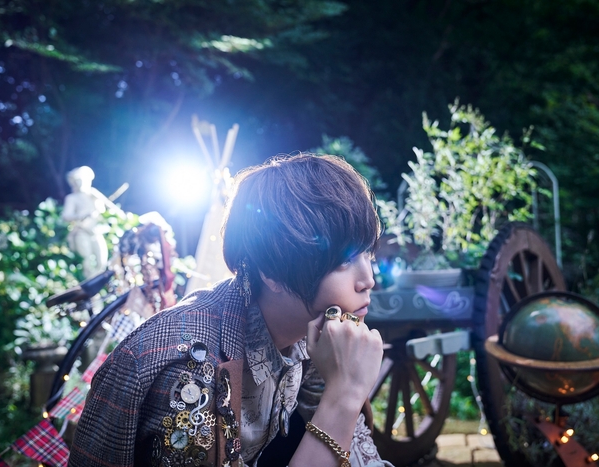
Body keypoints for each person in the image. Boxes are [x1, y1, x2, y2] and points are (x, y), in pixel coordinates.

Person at [69, 154, 391, 467]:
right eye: (344, 261)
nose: (368, 280)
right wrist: (344, 395)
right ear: (273, 272)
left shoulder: (317, 338)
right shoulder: (191, 372)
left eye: (368, 253)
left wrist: (342, 394)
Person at [62, 166, 113, 280]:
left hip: (95, 232)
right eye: (77, 181)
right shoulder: (72, 198)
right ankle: (89, 288)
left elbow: (110, 207)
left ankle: (99, 285)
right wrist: (81, 215)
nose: (79, 183)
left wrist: (100, 206)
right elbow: (66, 216)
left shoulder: (93, 194)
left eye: (81, 180)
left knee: (102, 262)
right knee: (86, 264)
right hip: (81, 232)